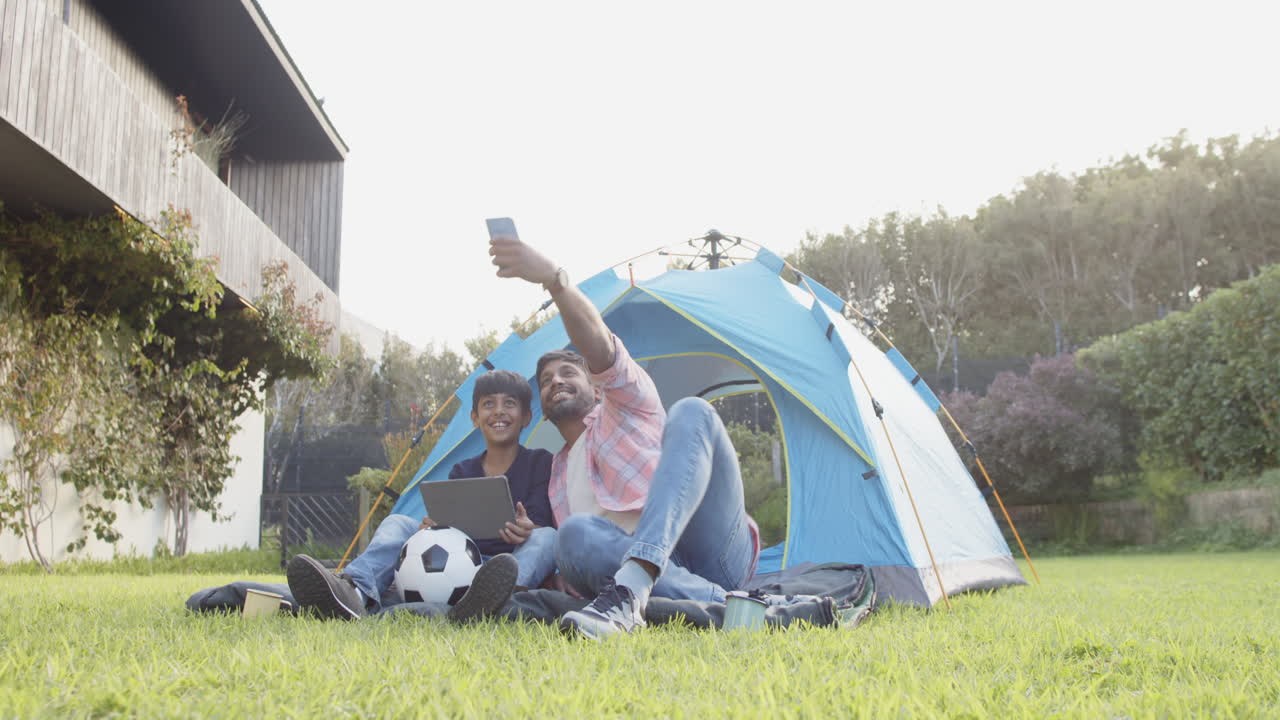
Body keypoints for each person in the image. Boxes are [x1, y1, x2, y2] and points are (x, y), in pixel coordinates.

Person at [489, 233, 766, 639]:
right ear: (541, 408)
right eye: (546, 380)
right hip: (648, 577)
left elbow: (601, 348)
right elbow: (578, 553)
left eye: (569, 373)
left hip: (707, 549)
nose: (555, 382)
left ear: (597, 387)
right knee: (573, 535)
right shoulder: (556, 474)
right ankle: (721, 608)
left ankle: (636, 584)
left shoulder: (628, 405)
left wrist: (555, 280)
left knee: (692, 411)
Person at [287, 369, 557, 621]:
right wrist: (433, 529)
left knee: (547, 537)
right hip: (460, 564)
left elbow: (542, 518)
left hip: (507, 569)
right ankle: (355, 591)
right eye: (488, 404)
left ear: (526, 417)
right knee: (398, 522)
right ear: (475, 418)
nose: (499, 411)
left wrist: (529, 527)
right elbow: (451, 529)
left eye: (509, 403)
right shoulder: (462, 470)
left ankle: (500, 602)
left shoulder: (540, 462)